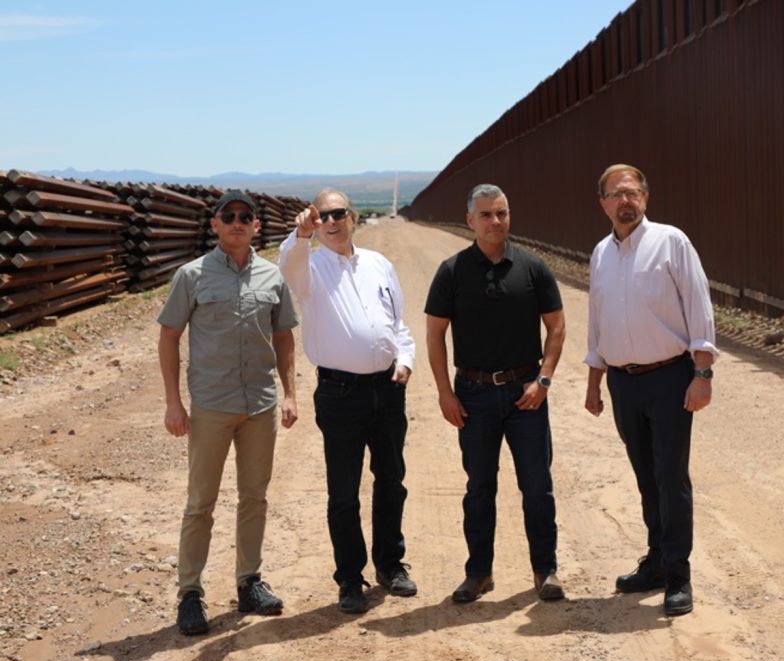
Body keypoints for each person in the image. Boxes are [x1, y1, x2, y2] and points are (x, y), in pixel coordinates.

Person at [158, 189, 299, 636]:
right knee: (200, 502)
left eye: (245, 216)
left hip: (260, 404)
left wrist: (290, 393)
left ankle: (249, 582)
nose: (237, 222)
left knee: (254, 497)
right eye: (229, 215)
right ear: (215, 224)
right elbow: (168, 337)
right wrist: (174, 402)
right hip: (211, 407)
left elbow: (284, 337)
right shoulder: (191, 276)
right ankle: (190, 594)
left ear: (257, 225)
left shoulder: (272, 276)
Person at [583, 164, 719, 617]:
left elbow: (699, 307)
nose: (625, 201)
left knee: (670, 475)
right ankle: (657, 561)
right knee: (645, 475)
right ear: (603, 204)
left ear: (645, 197)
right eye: (616, 194)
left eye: (632, 192)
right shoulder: (600, 253)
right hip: (623, 382)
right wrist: (594, 381)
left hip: (669, 378)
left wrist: (702, 375)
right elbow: (597, 320)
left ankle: (679, 575)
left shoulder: (671, 242)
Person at [425, 183, 567, 603]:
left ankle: (545, 570)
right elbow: (434, 335)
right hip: (473, 395)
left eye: (501, 213)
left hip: (527, 394)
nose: (495, 221)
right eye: (486, 215)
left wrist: (543, 380)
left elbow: (557, 326)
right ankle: (479, 573)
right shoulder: (452, 271)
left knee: (537, 486)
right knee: (479, 488)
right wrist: (445, 392)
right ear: (470, 220)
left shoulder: (533, 267)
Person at [278, 189, 416, 614]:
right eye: (323, 216)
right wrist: (300, 235)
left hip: (387, 390)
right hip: (340, 394)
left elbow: (398, 323)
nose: (331, 221)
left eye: (338, 213)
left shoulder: (379, 264)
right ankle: (350, 579)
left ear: (353, 217)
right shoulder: (310, 268)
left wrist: (405, 360)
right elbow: (288, 264)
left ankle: (390, 565)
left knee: (391, 480)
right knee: (343, 492)